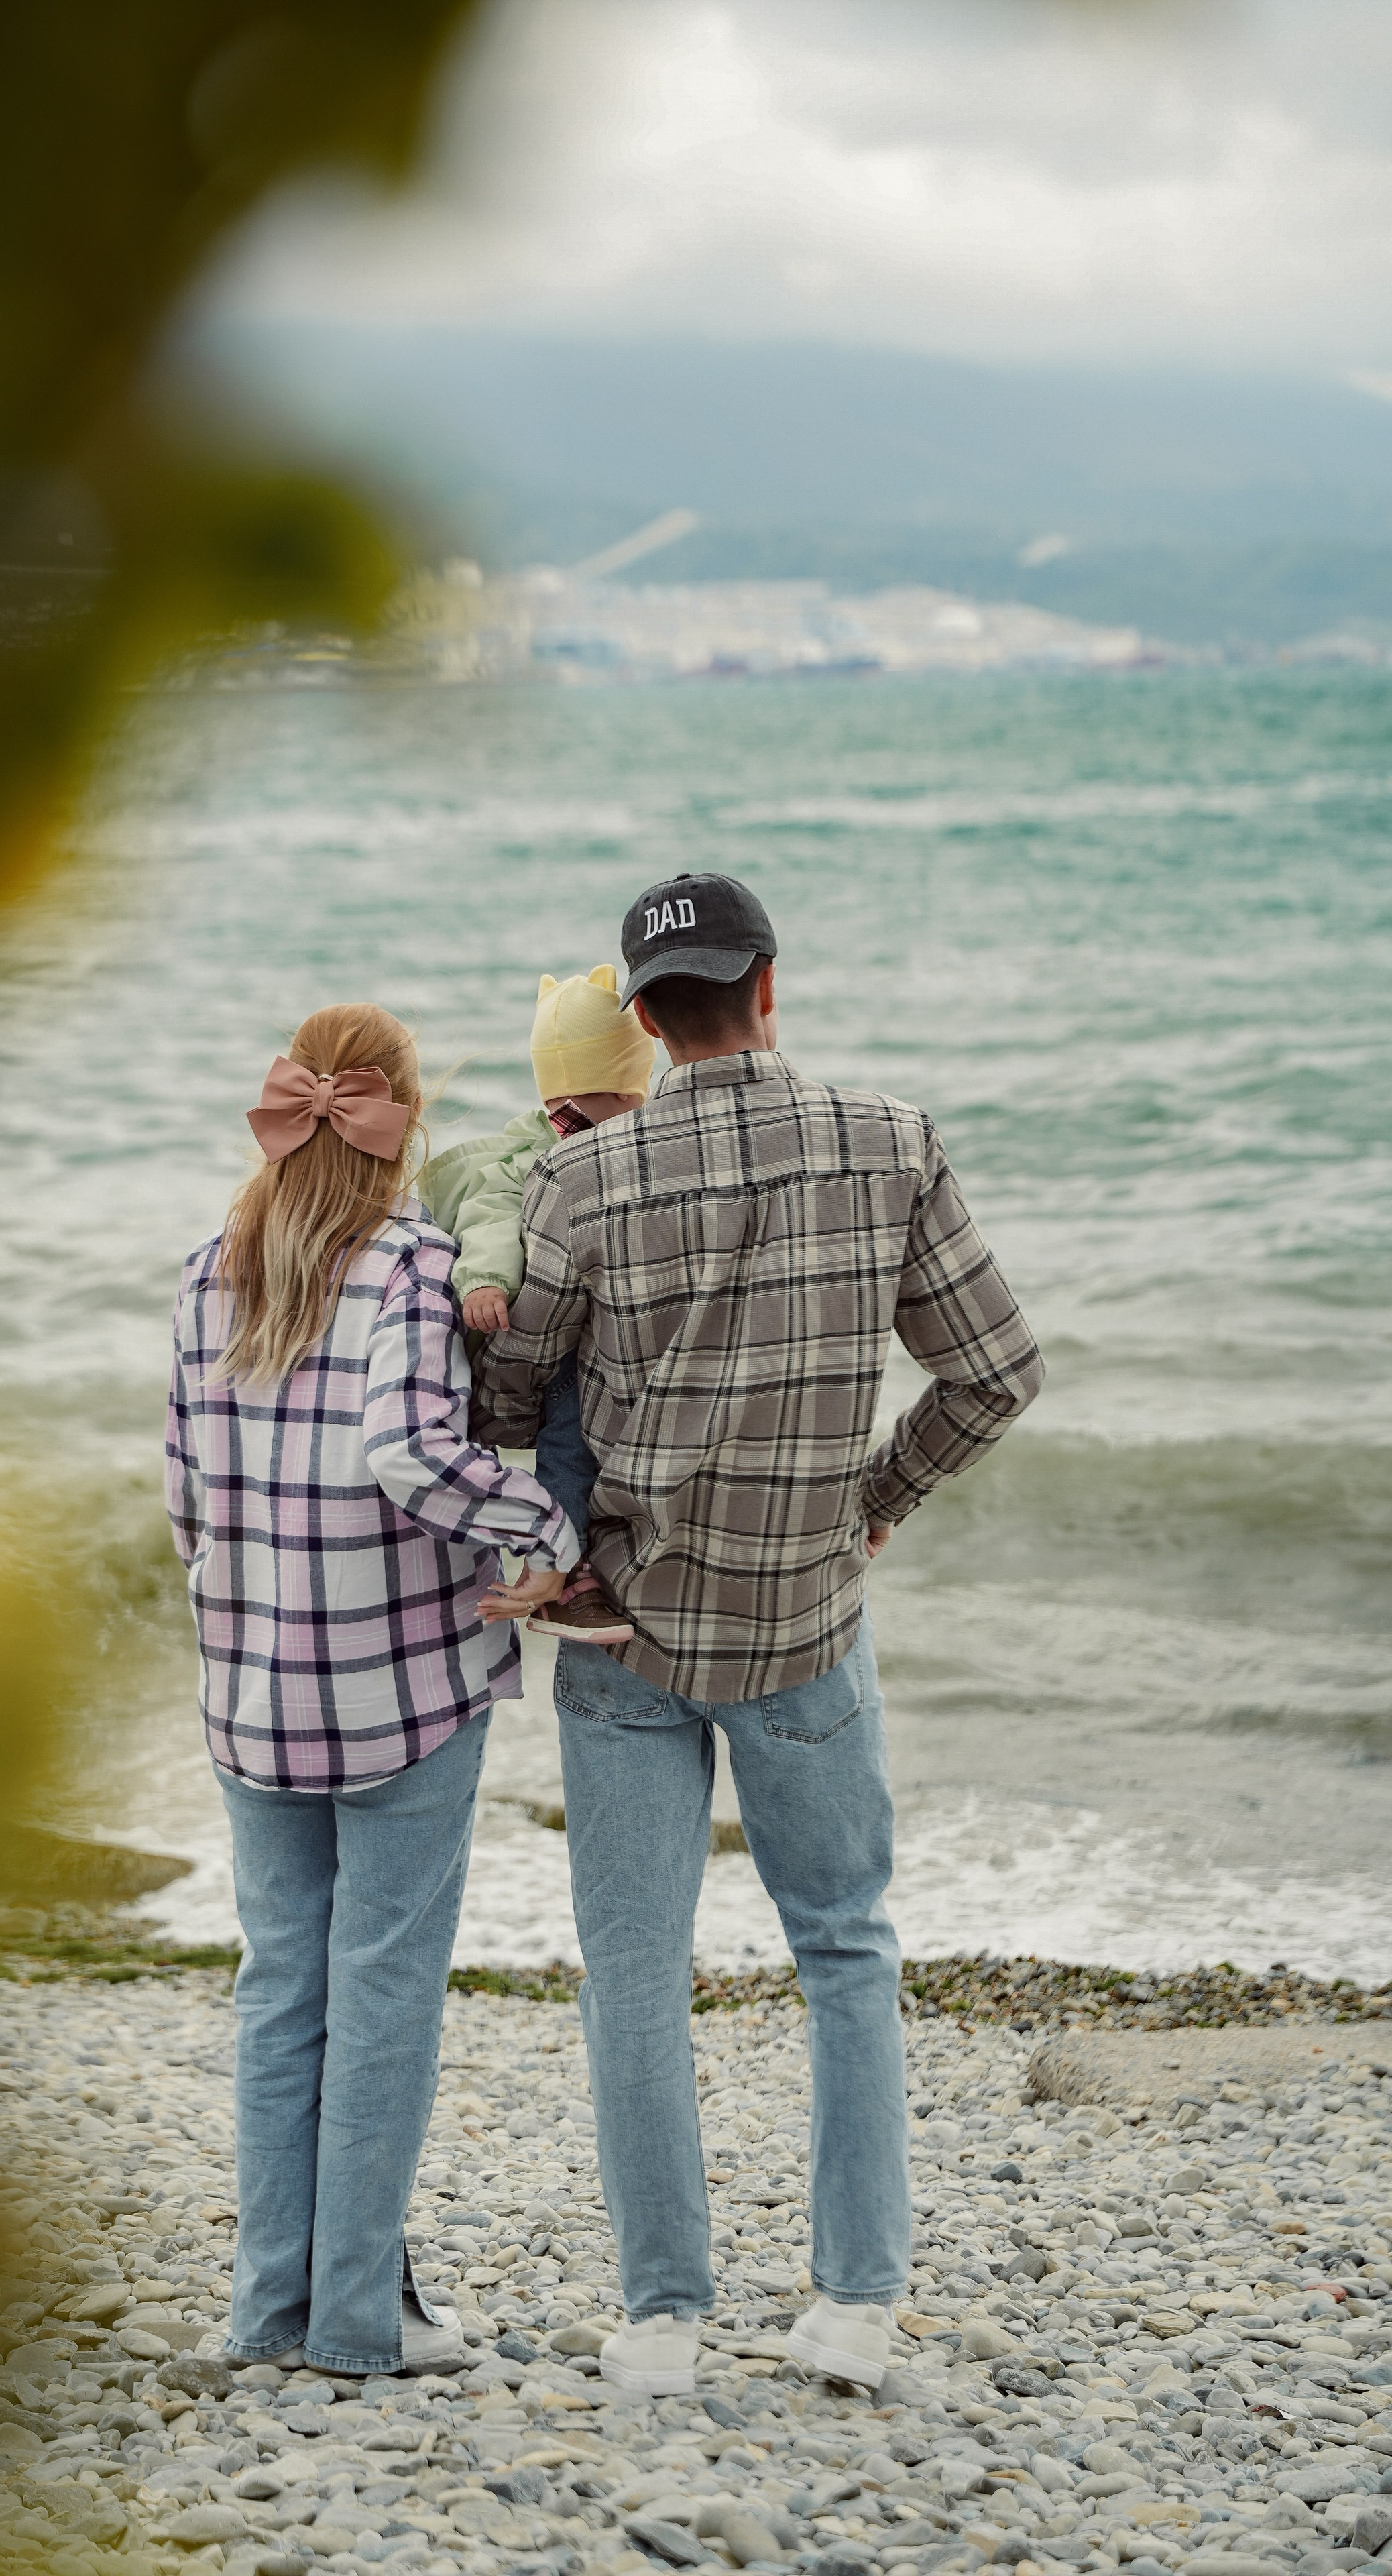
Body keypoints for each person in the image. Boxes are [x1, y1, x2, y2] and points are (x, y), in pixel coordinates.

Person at [473, 872, 1044, 2399]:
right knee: (844, 1943)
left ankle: (661, 2321)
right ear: (767, 987)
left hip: (626, 1630)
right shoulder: (889, 1138)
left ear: (644, 1020)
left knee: (634, 1972)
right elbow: (995, 1372)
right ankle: (853, 2306)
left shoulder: (578, 1182)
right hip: (805, 1618)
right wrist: (873, 1501)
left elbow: (506, 1404)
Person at [165, 1003, 579, 2379]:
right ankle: (354, 2325)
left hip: (251, 1693)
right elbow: (408, 1454)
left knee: (281, 1988)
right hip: (399, 1692)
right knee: (383, 1991)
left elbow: (185, 1493)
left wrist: (240, 1610)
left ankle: (262, 2314)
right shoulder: (411, 1261)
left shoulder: (207, 1269)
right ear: (400, 1117)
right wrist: (540, 1527)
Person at [424, 963, 654, 1644]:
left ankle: (595, 1561)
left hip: (621, 1328)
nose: (628, 1111)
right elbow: (490, 1214)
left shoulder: (638, 1128)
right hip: (560, 1343)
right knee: (569, 1441)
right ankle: (560, 1572)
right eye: (618, 1099)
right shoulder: (532, 1151)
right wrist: (485, 1281)